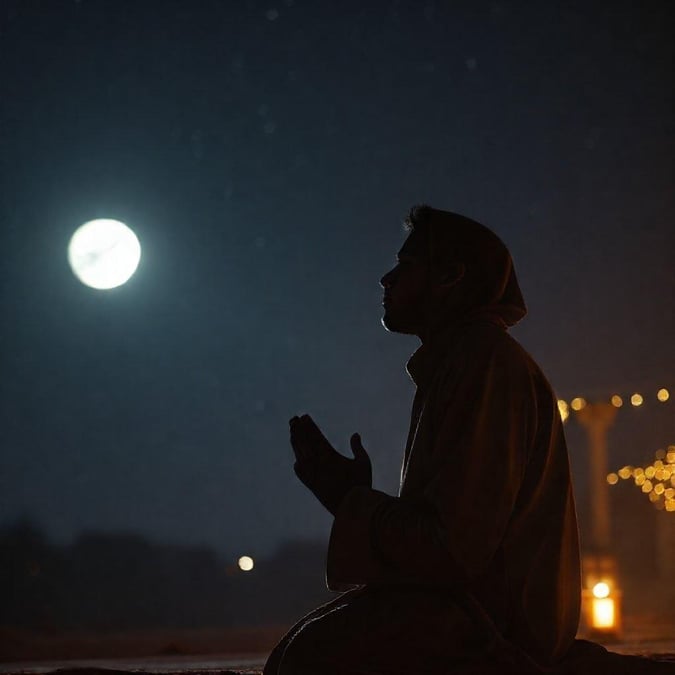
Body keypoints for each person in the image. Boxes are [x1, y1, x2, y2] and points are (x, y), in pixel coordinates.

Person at [264, 205, 582, 674]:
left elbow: (454, 550)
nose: (386, 280)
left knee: (312, 657)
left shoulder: (484, 365)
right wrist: (355, 499)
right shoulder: (460, 363)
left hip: (497, 629)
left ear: (451, 275)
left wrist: (351, 499)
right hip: (472, 615)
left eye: (405, 266)